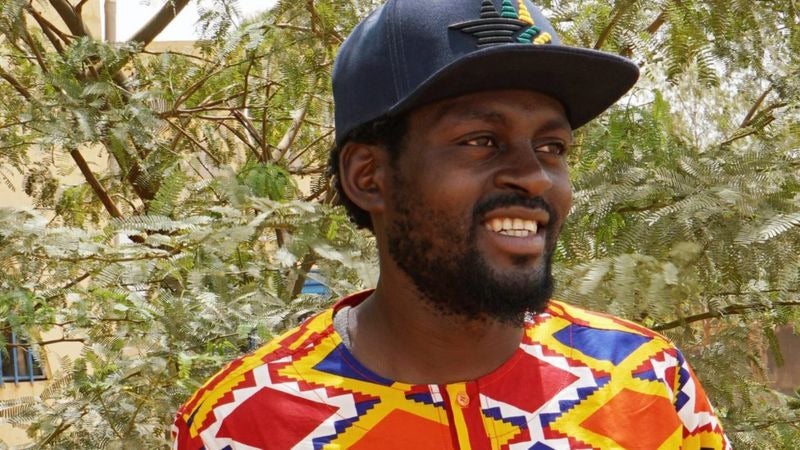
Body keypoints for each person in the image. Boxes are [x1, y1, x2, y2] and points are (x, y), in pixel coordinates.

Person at [173, 0, 731, 448]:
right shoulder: (243, 424)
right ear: (369, 176)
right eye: (481, 140)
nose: (534, 176)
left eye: (552, 146)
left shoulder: (645, 378)